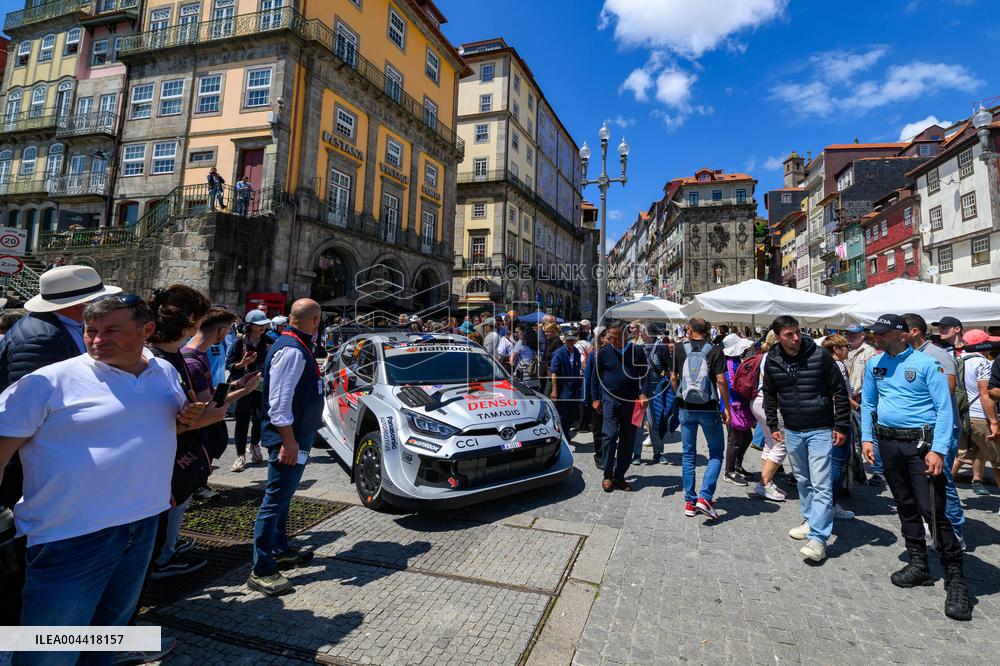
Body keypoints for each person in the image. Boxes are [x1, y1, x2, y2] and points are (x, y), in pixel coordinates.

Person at [0, 295, 205, 660]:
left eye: (111, 330)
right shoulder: (47, 382)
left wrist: (188, 419)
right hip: (69, 535)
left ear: (147, 331)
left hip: (142, 524)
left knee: (107, 635)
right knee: (48, 650)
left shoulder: (165, 371)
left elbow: (157, 429)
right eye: (90, 330)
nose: (97, 339)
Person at [0, 265, 122, 627]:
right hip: (41, 466)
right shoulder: (41, 337)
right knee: (44, 562)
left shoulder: (55, 330)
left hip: (52, 464)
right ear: (78, 303)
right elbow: (30, 411)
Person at [860, 314, 971, 621]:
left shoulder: (925, 364)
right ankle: (919, 563)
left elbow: (944, 409)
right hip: (888, 443)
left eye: (883, 334)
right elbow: (868, 403)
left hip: (920, 447)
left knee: (933, 510)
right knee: (905, 505)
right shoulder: (875, 364)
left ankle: (956, 580)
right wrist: (867, 438)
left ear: (903, 335)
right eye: (876, 334)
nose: (877, 338)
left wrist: (938, 449)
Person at [249, 299, 324, 595]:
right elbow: (278, 403)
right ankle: (261, 568)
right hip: (288, 439)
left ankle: (279, 550)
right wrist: (289, 441)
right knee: (275, 500)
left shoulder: (295, 344)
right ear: (315, 321)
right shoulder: (292, 350)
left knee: (283, 498)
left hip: (296, 436)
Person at [763, 315, 850, 563]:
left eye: (797, 332)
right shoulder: (773, 359)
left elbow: (840, 391)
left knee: (821, 482)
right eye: (789, 334)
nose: (795, 337)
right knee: (803, 480)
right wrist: (772, 423)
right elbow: (769, 393)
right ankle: (810, 520)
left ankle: (819, 538)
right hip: (791, 428)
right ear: (778, 336)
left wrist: (841, 425)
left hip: (821, 427)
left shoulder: (819, 355)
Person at [903, 313, 966, 547]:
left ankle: (956, 534)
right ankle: (938, 527)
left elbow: (947, 390)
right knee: (928, 480)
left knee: (943, 480)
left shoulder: (937, 355)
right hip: (920, 429)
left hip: (942, 429)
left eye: (902, 331)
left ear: (913, 332)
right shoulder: (912, 355)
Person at [671, 318, 730, 520]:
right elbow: (721, 380)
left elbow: (673, 377)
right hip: (709, 408)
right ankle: (705, 497)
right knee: (715, 452)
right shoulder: (715, 350)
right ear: (708, 332)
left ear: (689, 330)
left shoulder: (679, 348)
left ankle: (690, 501)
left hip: (685, 407)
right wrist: (727, 407)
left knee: (688, 455)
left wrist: (679, 394)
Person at [595, 321, 649, 492]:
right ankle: (607, 475)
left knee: (628, 439)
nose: (612, 340)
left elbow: (645, 375)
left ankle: (620, 476)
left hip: (632, 402)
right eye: (610, 336)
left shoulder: (637, 351)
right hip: (610, 400)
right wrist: (595, 398)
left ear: (626, 335)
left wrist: (643, 393)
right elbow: (595, 377)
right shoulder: (604, 353)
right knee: (609, 437)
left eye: (616, 336)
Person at [952, 328, 1000, 497]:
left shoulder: (955, 359)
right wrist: (994, 422)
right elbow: (984, 394)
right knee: (998, 460)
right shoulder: (983, 363)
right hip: (980, 416)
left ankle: (940, 490)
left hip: (961, 415)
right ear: (983, 345)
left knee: (962, 454)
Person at [226, 309, 271, 472]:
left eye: (264, 324)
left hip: (260, 384)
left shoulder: (268, 340)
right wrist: (242, 364)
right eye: (258, 325)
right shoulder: (239, 343)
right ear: (250, 326)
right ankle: (240, 456)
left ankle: (254, 446)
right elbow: (229, 365)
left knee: (260, 418)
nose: (262, 328)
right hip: (244, 386)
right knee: (242, 419)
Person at [821, 334, 857, 520]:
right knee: (836, 464)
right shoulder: (839, 366)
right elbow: (840, 394)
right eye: (845, 347)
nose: (847, 351)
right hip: (839, 418)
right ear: (836, 349)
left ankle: (826, 503)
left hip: (827, 417)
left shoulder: (824, 363)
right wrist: (857, 406)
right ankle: (831, 504)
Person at [749, 331, 787, 501]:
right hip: (769, 403)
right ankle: (764, 484)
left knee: (770, 442)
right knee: (781, 444)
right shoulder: (776, 357)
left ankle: (766, 482)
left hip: (757, 401)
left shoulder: (764, 355)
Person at [845, 324, 883, 485]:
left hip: (861, 399)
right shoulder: (847, 351)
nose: (849, 336)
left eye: (853, 334)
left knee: (870, 436)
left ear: (862, 335)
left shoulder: (870, 352)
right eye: (848, 333)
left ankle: (878, 472)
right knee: (855, 437)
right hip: (850, 398)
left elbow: (875, 379)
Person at [722, 333, 754, 486]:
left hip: (737, 404)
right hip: (733, 405)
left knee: (746, 438)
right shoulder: (729, 364)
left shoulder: (734, 361)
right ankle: (729, 471)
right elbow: (731, 386)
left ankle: (737, 465)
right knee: (734, 440)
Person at [549, 328, 582, 441]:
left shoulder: (576, 352)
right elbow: (553, 372)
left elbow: (577, 369)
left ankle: (565, 433)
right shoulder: (558, 353)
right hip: (563, 389)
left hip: (573, 388)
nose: (570, 342)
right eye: (568, 340)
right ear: (564, 340)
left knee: (573, 414)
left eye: (572, 340)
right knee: (562, 415)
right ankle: (563, 437)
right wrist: (554, 390)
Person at [585, 326, 606, 469]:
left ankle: (607, 453)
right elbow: (589, 378)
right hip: (597, 397)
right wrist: (589, 399)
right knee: (598, 429)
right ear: (602, 339)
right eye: (608, 337)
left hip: (611, 398)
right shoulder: (594, 355)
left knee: (609, 430)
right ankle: (599, 455)